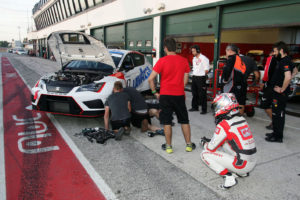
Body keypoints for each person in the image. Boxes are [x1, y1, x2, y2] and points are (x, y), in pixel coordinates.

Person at [148, 37, 196, 154]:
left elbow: (150, 79)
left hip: (165, 96)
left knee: (167, 122)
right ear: (175, 48)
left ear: (165, 48)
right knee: (184, 120)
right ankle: (189, 145)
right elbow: (185, 81)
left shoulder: (162, 61)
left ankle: (169, 147)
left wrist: (155, 93)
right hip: (179, 95)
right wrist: (178, 86)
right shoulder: (184, 61)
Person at [200, 93, 257, 189]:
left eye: (217, 106)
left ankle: (229, 178)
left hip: (242, 165)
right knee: (225, 143)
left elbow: (210, 148)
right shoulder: (242, 118)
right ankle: (242, 173)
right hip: (252, 161)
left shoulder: (224, 124)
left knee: (204, 154)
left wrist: (204, 143)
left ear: (225, 106)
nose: (215, 109)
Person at [266, 42, 293, 143]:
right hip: (276, 92)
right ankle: (275, 132)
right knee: (276, 114)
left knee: (279, 115)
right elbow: (294, 71)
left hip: (280, 94)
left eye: (275, 51)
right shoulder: (285, 60)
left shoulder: (284, 61)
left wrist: (282, 89)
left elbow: (288, 76)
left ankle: (278, 137)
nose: (274, 53)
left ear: (281, 50)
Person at [222, 44, 247, 115]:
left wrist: (225, 80)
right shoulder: (239, 59)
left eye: (226, 51)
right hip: (242, 83)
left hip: (233, 84)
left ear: (229, 51)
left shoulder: (231, 59)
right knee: (241, 102)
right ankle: (240, 118)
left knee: (229, 100)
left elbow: (227, 70)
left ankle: (231, 116)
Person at [260, 49, 279, 130]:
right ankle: (276, 123)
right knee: (275, 105)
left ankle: (275, 123)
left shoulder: (271, 58)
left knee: (265, 104)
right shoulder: (282, 60)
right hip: (277, 86)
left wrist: (263, 82)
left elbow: (267, 72)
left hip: (270, 86)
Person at [189, 45, 210, 114]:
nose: (192, 52)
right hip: (194, 77)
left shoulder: (204, 58)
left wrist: (201, 74)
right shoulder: (194, 59)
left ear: (198, 50)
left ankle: (204, 110)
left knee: (202, 94)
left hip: (201, 78)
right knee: (194, 93)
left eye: (193, 51)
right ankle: (195, 107)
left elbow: (206, 69)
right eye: (192, 51)